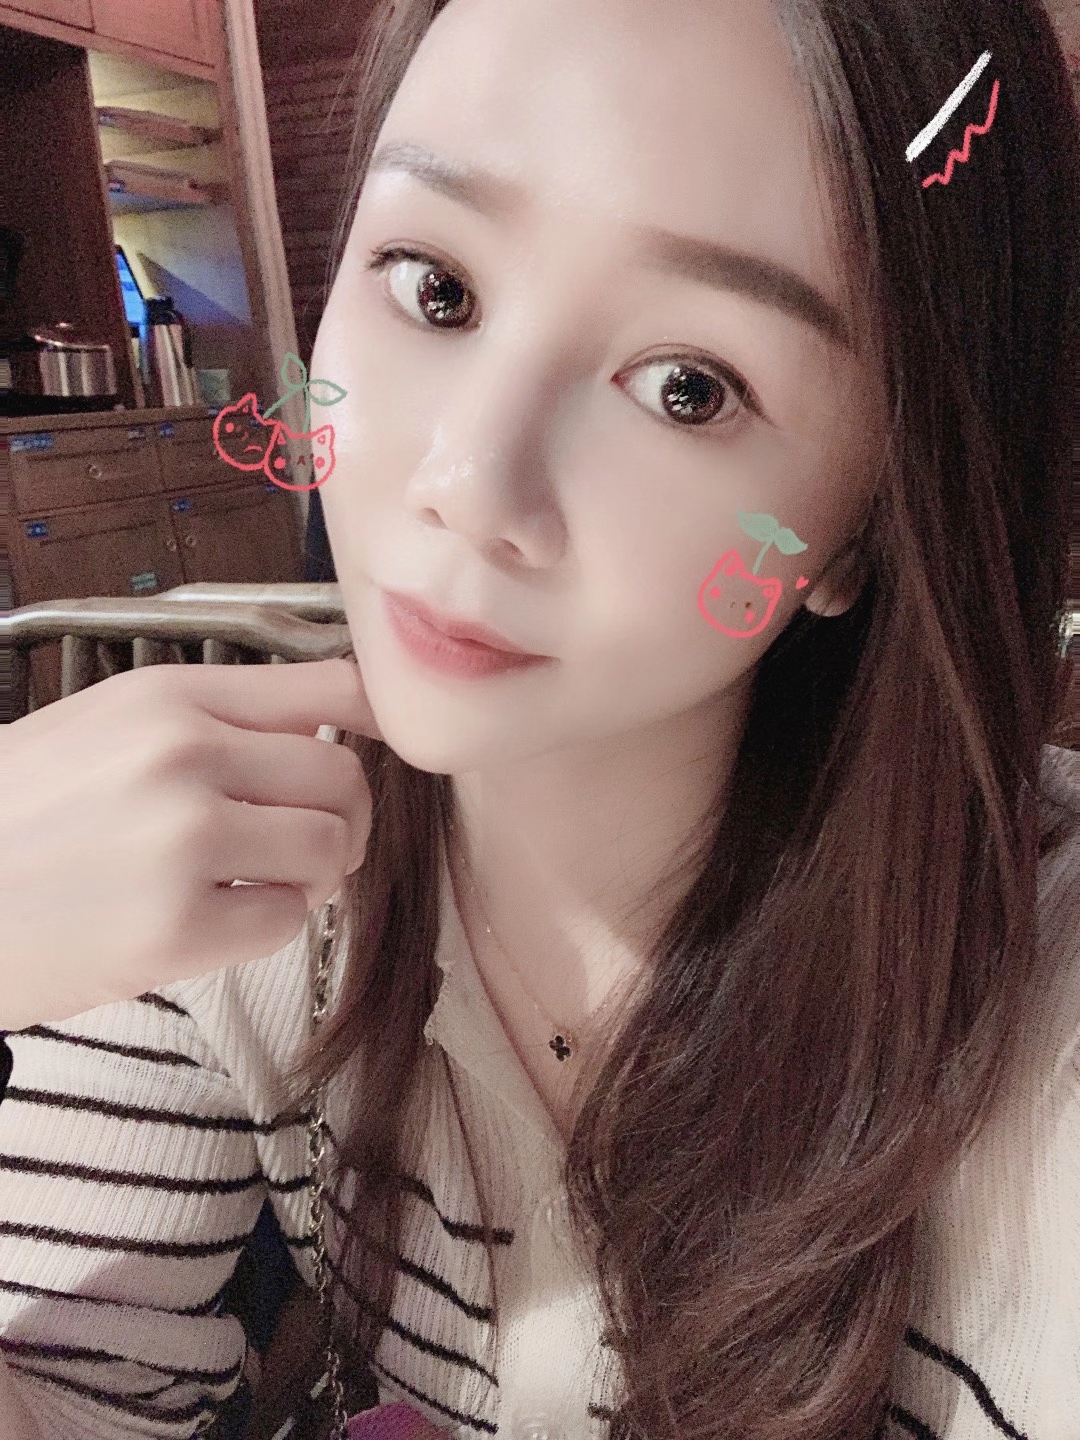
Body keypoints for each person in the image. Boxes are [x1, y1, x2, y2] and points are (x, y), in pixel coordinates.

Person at [0, 0, 1077, 1436]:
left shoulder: (1039, 1028)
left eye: (689, 389)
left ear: (869, 521)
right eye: (436, 288)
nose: (469, 483)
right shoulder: (225, 873)